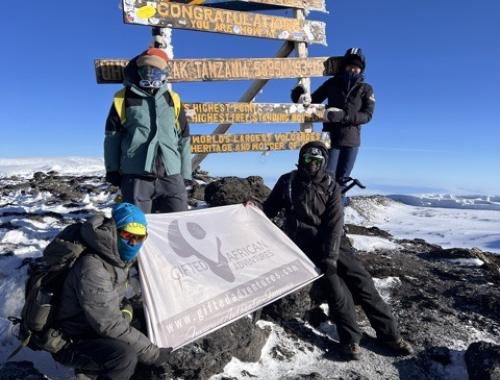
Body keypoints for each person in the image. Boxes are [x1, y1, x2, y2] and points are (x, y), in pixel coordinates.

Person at [263, 141, 412, 360]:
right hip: (307, 245)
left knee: (363, 284)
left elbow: (334, 225)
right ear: (301, 159)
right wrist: (253, 206)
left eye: (317, 160)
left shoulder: (331, 185)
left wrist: (331, 258)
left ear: (323, 162)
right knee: (336, 287)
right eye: (308, 159)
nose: (312, 165)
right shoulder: (288, 182)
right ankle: (351, 341)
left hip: (335, 243)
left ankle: (390, 336)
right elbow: (269, 208)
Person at [52, 203, 172, 379]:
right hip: (72, 339)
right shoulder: (92, 267)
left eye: (139, 237)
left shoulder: (116, 255)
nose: (133, 242)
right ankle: (88, 371)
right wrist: (153, 354)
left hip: (93, 325)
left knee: (144, 319)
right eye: (127, 235)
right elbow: (108, 324)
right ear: (114, 230)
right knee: (124, 358)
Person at [104, 48, 192, 214]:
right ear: (138, 71)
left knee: (178, 224)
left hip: (171, 175)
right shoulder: (123, 98)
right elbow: (112, 137)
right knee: (137, 228)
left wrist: (186, 173)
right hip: (135, 175)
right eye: (146, 69)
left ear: (164, 72)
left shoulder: (173, 99)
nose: (151, 74)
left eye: (156, 70)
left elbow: (184, 137)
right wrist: (112, 170)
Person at [291, 48, 375, 186]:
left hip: (351, 142)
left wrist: (344, 116)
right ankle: (323, 207)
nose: (353, 69)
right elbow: (313, 100)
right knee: (326, 178)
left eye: (356, 67)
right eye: (350, 65)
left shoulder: (366, 89)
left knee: (342, 180)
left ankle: (338, 207)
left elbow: (367, 115)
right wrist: (300, 98)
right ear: (344, 66)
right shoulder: (333, 83)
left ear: (361, 69)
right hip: (330, 139)